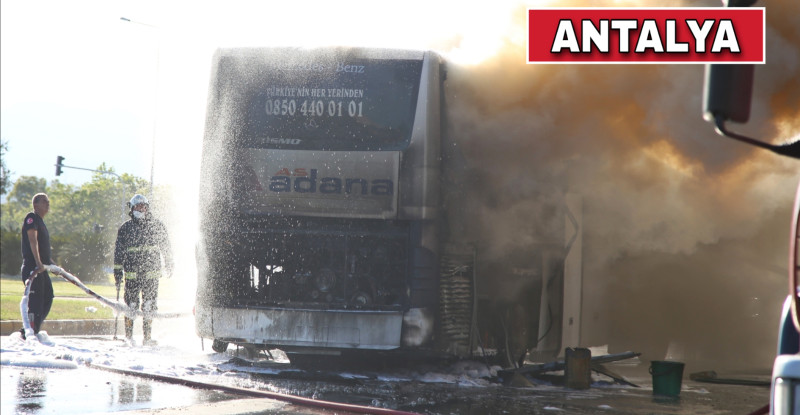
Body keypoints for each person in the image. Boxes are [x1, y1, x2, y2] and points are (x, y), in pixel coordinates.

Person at [114, 194, 173, 346]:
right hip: (132, 275)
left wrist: (169, 263)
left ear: (147, 207)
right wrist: (117, 272)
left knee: (149, 305)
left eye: (143, 206)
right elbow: (119, 252)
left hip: (151, 274)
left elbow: (166, 247)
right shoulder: (125, 228)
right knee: (131, 305)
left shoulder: (157, 226)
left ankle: (147, 337)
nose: (140, 209)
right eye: (137, 206)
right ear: (132, 208)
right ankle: (129, 337)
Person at [20, 193, 54, 343]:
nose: (48, 204)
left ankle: (34, 330)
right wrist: (38, 263)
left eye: (48, 202)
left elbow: (44, 248)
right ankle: (28, 333)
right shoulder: (32, 218)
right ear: (36, 205)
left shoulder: (41, 222)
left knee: (48, 296)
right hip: (33, 269)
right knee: (34, 303)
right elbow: (33, 240)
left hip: (42, 269)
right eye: (44, 202)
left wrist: (51, 264)